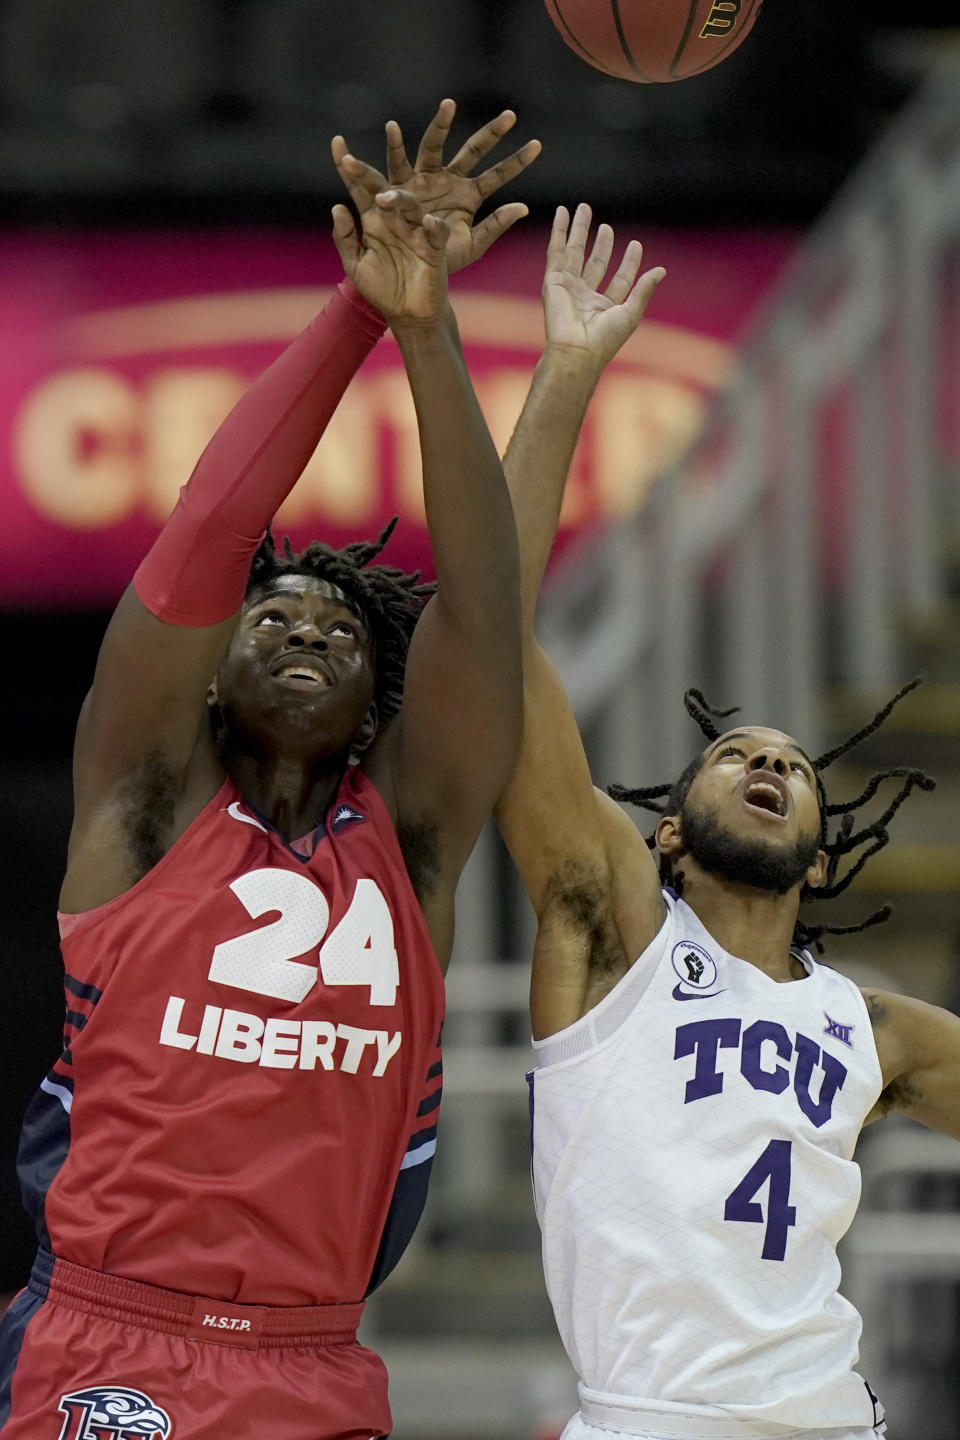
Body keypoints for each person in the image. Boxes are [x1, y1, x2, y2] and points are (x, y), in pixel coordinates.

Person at [0, 102, 538, 1439]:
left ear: (376, 703)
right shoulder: (144, 805)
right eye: (274, 614)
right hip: (108, 1337)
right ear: (214, 672)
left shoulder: (410, 841)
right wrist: (355, 315)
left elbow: (481, 612)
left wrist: (429, 327)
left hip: (316, 1365)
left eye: (339, 625)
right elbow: (208, 524)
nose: (303, 624)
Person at [495, 202, 956, 1440]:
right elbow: (489, 642)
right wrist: (567, 375)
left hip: (831, 1418)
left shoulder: (875, 1031)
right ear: (670, 834)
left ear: (819, 845)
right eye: (733, 756)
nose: (766, 763)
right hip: (647, 1418)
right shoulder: (610, 932)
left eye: (790, 765)